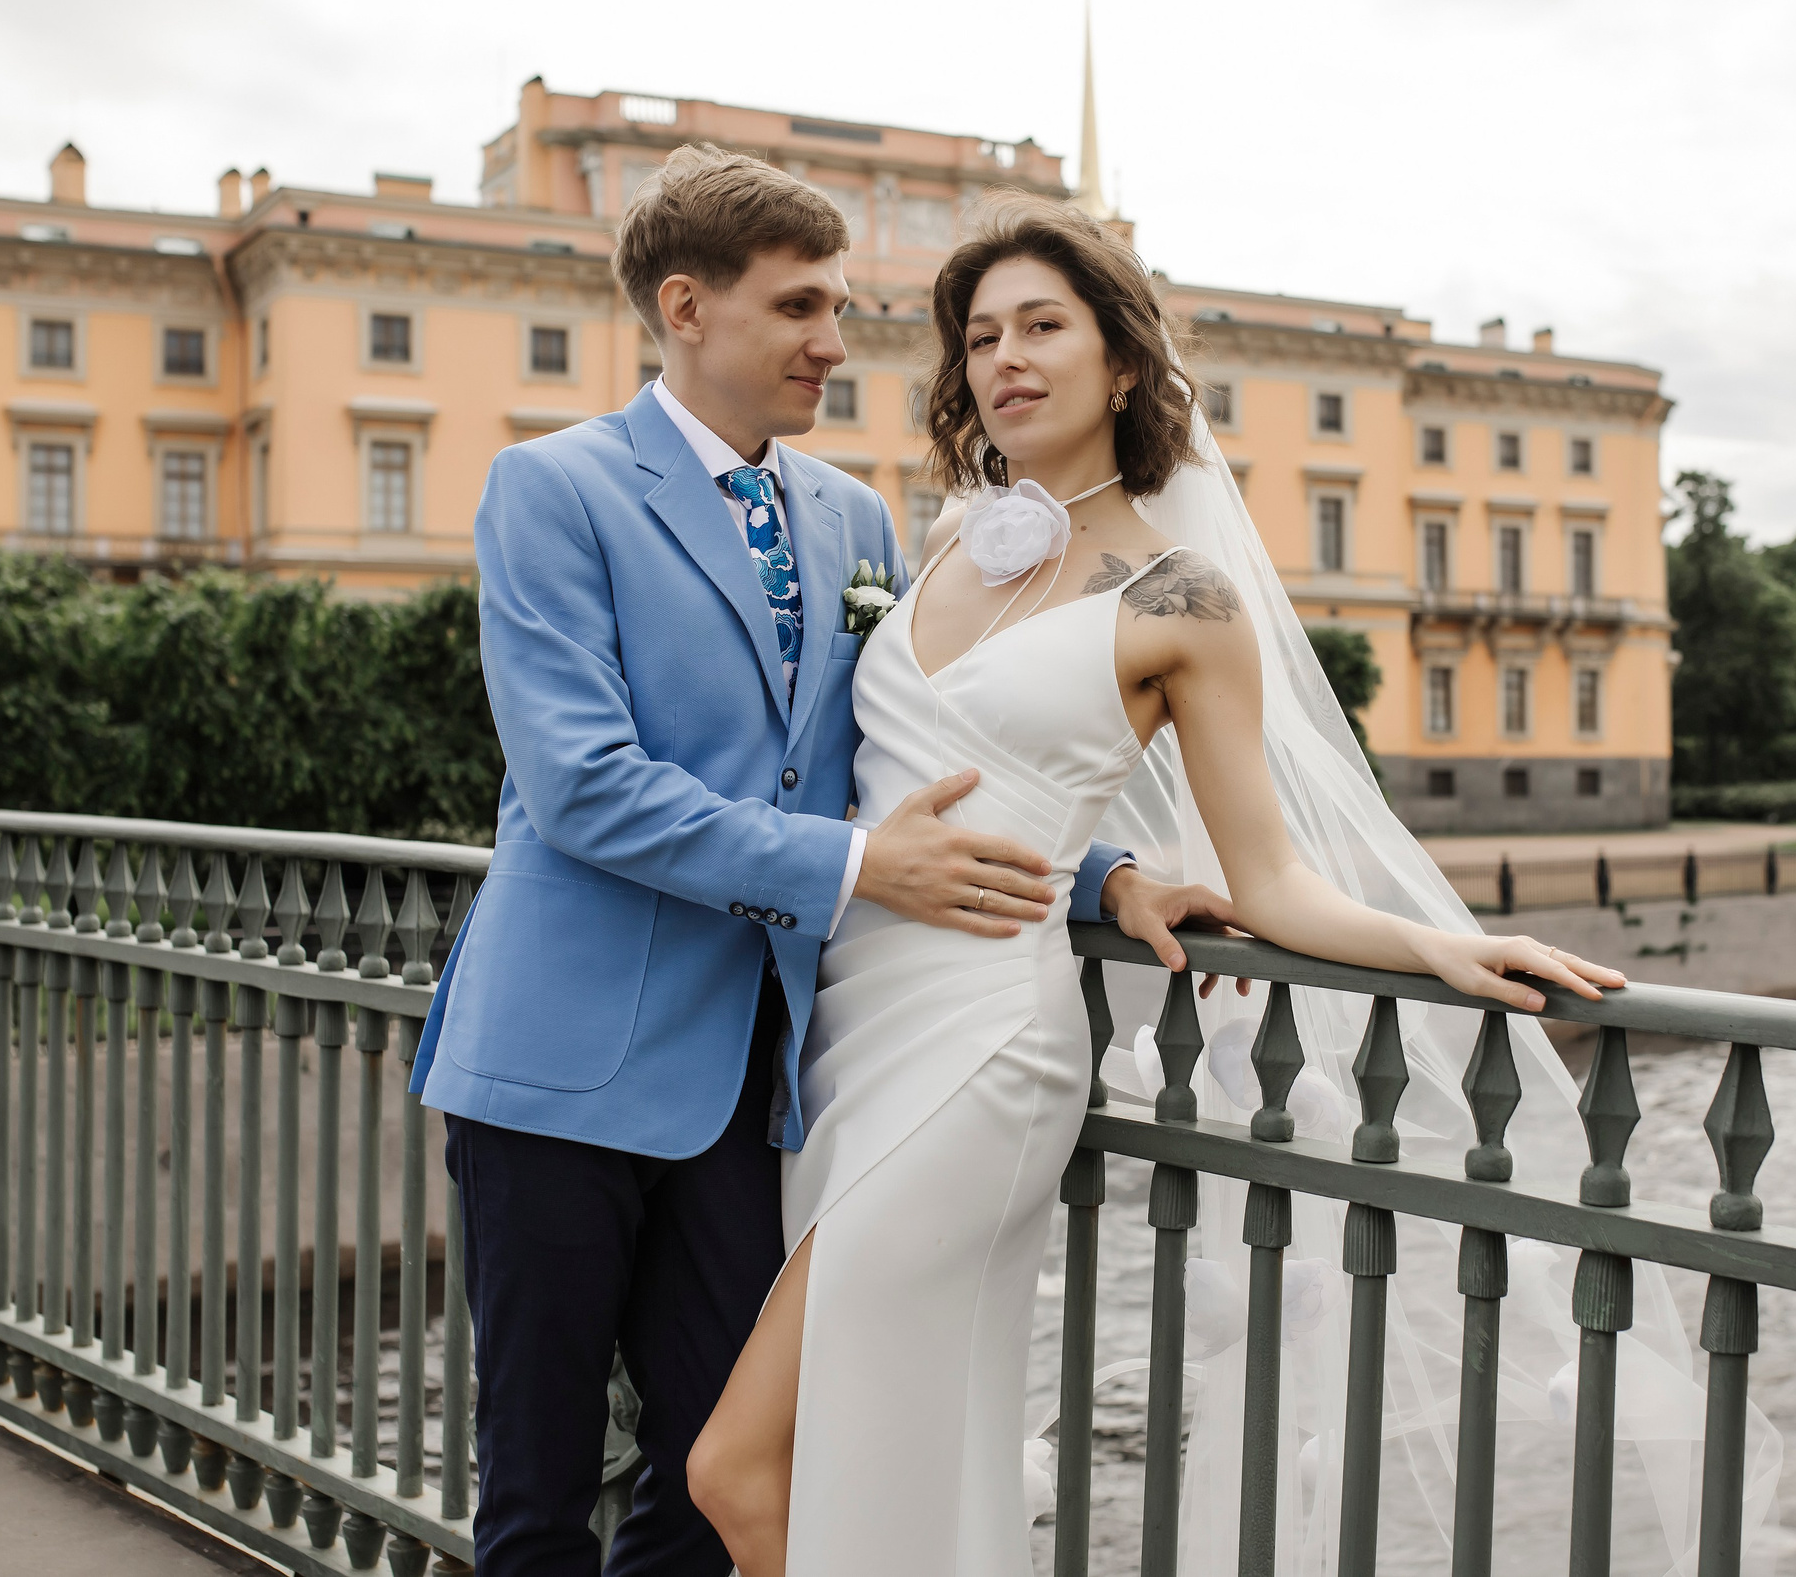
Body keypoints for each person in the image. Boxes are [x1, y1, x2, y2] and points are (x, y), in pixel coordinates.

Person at [684, 198, 1742, 1576]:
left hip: (981, 1049)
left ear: (1122, 363)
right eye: (981, 334)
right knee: (889, 1457)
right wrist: (1110, 877)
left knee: (739, 1468)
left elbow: (1277, 876)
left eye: (1043, 326)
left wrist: (1446, 949)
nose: (1004, 356)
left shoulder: (1181, 599)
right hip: (848, 1032)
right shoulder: (947, 545)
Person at [407, 147, 1220, 1576]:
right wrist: (853, 872)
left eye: (839, 307)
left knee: (713, 1477)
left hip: (757, 1080)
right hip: (560, 1063)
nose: (835, 344)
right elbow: (584, 788)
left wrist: (1099, 876)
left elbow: (911, 748)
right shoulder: (551, 490)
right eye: (798, 309)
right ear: (686, 309)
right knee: (535, 1494)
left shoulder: (851, 519)